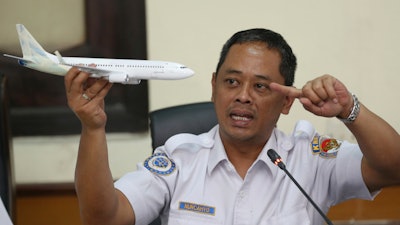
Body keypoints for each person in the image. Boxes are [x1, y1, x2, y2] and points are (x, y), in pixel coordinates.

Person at [64, 28, 400, 225]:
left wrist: (349, 110)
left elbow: (393, 167)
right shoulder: (179, 159)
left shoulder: (309, 157)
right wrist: (93, 128)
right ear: (214, 86)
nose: (242, 97)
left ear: (286, 102)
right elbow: (103, 218)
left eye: (261, 87)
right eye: (232, 82)